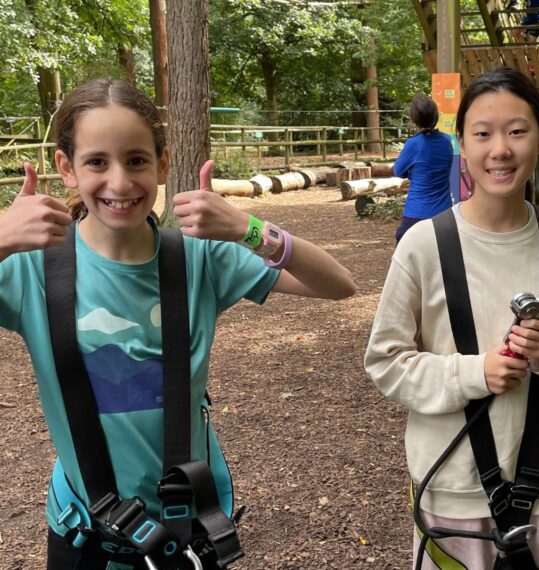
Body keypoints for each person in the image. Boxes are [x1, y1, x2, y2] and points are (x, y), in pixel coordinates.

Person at [0, 79, 355, 569]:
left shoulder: (200, 259)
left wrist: (247, 229)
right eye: (97, 162)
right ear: (67, 169)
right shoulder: (28, 267)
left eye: (137, 160)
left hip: (186, 530)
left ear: (163, 163)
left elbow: (338, 284)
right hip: (84, 534)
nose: (120, 183)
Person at [365, 67, 539, 569]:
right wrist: (474, 372)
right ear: (463, 143)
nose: (500, 149)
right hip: (452, 487)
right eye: (483, 133)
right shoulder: (423, 246)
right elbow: (386, 362)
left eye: (517, 131)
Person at [392, 94, 454, 243]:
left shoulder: (414, 144)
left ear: (414, 118)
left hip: (417, 212)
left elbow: (397, 171)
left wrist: (412, 172)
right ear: (435, 117)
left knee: (405, 250)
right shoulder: (446, 141)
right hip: (444, 212)